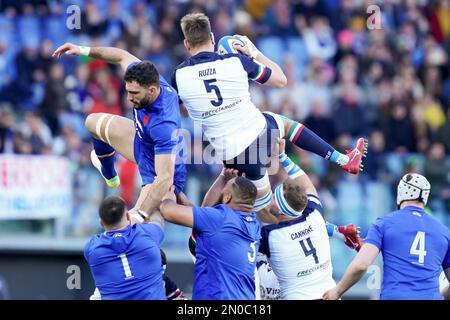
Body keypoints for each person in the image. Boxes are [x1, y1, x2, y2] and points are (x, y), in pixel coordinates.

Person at [172, 12, 367, 216]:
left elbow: (180, 109)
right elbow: (281, 80)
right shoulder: (235, 61)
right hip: (261, 130)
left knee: (268, 211)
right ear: (212, 38)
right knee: (284, 124)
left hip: (236, 154)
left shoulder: (179, 76)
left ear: (186, 44)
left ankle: (203, 237)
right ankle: (342, 160)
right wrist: (254, 52)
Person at [53, 43, 187, 218]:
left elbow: (165, 178)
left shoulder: (164, 124)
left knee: (134, 223)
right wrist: (82, 50)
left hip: (160, 168)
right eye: (127, 91)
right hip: (142, 142)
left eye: (134, 93)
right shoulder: (148, 81)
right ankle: (108, 172)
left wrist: (141, 214)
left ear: (152, 91)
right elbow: (121, 55)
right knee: (92, 121)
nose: (129, 98)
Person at [323, 173, 450, 300]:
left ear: (400, 193)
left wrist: (337, 291)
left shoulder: (385, 223)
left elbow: (361, 265)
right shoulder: (444, 231)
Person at [159, 176, 260, 300]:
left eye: (223, 193)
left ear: (228, 197)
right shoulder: (254, 225)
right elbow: (204, 215)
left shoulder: (220, 219)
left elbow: (167, 211)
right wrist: (224, 176)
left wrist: (168, 193)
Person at [84, 196, 166, 300]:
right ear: (127, 216)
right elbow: (158, 220)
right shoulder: (146, 233)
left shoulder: (92, 248)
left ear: (101, 222)